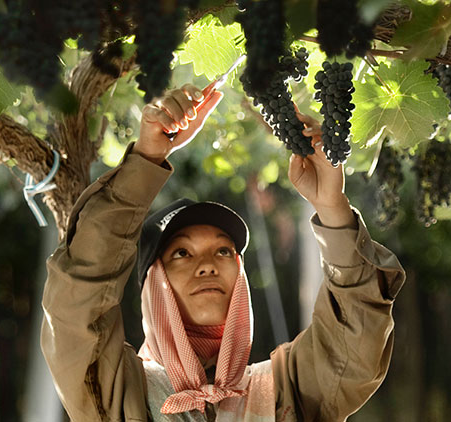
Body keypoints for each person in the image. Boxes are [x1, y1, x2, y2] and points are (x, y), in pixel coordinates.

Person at [41, 82, 406, 422]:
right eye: (181, 254)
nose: (206, 266)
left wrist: (331, 206)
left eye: (223, 251)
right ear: (154, 284)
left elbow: (356, 337)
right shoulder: (119, 389)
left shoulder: (286, 388)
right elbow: (75, 306)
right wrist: (146, 160)